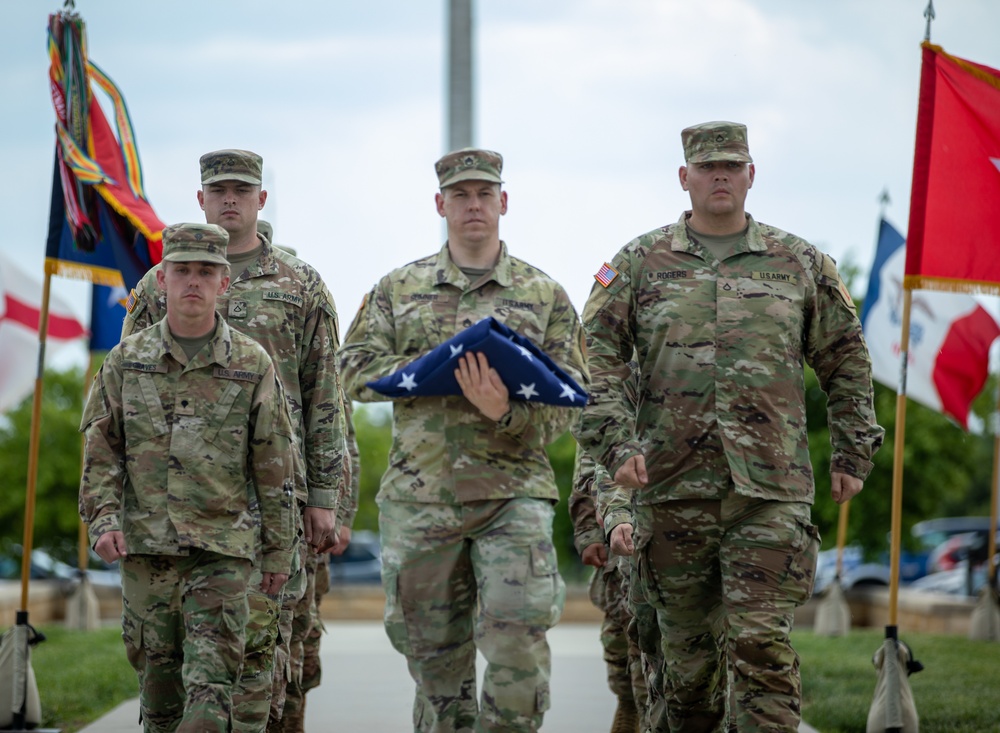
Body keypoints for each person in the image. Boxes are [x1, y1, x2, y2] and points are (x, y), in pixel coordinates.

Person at [574, 121, 885, 733]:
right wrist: (615, 444)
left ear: (750, 175)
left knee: (761, 649)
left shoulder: (797, 263)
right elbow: (595, 361)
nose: (721, 176)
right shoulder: (639, 263)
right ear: (684, 178)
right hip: (671, 492)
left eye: (733, 166)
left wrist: (853, 450)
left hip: (769, 494)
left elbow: (846, 356)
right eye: (708, 167)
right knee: (689, 678)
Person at [338, 147, 588, 732]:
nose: (472, 205)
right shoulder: (397, 289)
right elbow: (351, 371)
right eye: (460, 195)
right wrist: (432, 369)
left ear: (503, 202)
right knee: (433, 658)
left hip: (513, 496)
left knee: (517, 644)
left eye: (483, 194)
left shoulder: (543, 294)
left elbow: (574, 396)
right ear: (440, 203)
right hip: (422, 500)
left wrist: (506, 412)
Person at [122, 149, 349, 733]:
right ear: (200, 198)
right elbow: (125, 392)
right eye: (218, 189)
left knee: (272, 653)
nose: (229, 200)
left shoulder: (300, 285)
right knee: (171, 654)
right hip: (180, 501)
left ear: (260, 200)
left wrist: (327, 496)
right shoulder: (157, 285)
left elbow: (327, 397)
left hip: (273, 498)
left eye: (241, 191)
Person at [80, 222, 297, 733]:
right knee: (160, 700)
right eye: (182, 271)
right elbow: (101, 448)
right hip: (146, 549)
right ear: (162, 281)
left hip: (223, 551)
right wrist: (104, 518)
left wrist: (278, 551)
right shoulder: (126, 361)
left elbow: (274, 463)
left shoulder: (251, 363)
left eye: (206, 271)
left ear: (224, 283)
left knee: (211, 692)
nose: (193, 282)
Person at [569, 447, 643, 733]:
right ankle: (629, 703)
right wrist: (587, 533)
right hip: (618, 522)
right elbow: (587, 472)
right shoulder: (607, 405)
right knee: (621, 631)